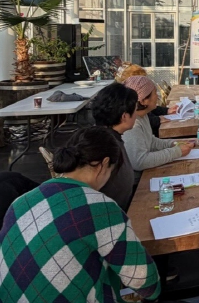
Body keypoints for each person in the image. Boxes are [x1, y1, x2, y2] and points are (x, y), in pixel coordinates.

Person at [0, 127, 161, 302]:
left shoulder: (20, 202)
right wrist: (155, 292)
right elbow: (143, 280)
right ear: (103, 164)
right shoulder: (98, 206)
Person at [122, 76, 194, 182]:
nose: (158, 96)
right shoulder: (132, 124)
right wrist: (177, 152)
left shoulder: (142, 115)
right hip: (138, 181)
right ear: (144, 101)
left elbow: (151, 142)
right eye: (155, 93)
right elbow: (140, 162)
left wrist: (174, 143)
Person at [90, 83, 139, 211]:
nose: (137, 115)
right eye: (135, 111)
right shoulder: (105, 145)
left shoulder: (104, 136)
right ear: (124, 116)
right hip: (113, 215)